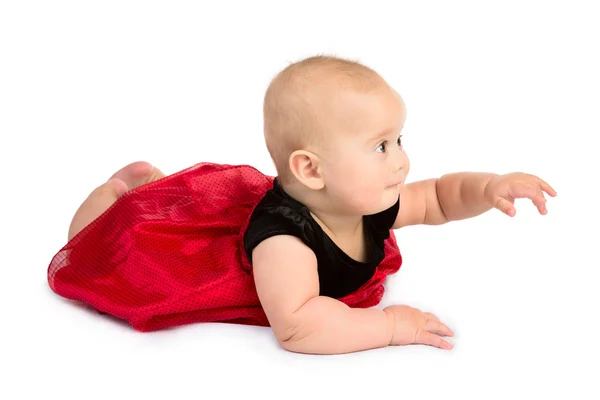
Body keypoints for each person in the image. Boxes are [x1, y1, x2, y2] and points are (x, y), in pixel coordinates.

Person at [47, 55, 557, 355]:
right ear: (311, 170)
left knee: (170, 210)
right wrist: (392, 326)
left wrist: (490, 187)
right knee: (118, 251)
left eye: (400, 140)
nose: (401, 163)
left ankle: (155, 189)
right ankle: (115, 199)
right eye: (381, 146)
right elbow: (297, 325)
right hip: (198, 266)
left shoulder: (365, 198)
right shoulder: (284, 244)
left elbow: (437, 198)